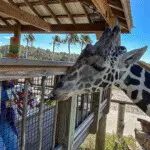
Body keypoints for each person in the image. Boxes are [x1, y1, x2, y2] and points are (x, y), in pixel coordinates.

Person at [0, 81, 19, 150]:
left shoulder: (9, 85)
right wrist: (5, 104)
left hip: (3, 120)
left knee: (13, 141)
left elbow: (14, 99)